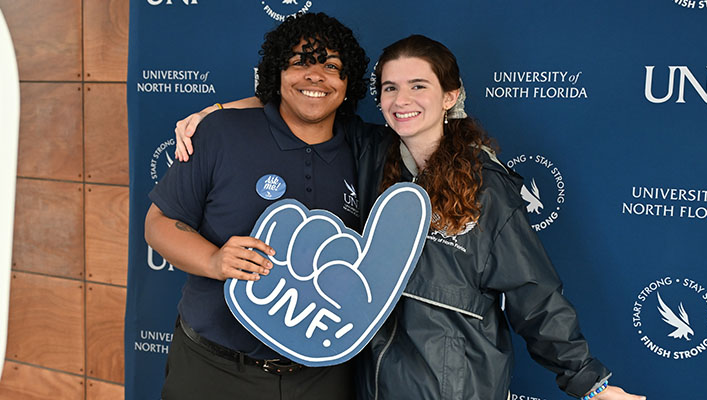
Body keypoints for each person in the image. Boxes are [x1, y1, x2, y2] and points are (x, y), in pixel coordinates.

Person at [175, 35, 645, 400]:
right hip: (370, 384)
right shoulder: (370, 154)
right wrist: (216, 112)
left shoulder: (487, 188)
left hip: (451, 388)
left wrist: (592, 385)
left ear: (449, 96)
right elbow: (306, 100)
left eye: (419, 86)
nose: (402, 99)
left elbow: (535, 297)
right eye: (390, 88)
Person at [144, 12, 369, 400]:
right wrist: (215, 261)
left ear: (348, 84)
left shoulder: (367, 150)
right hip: (213, 368)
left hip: (323, 378)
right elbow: (159, 222)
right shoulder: (221, 134)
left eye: (331, 66)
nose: (315, 76)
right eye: (300, 61)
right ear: (275, 74)